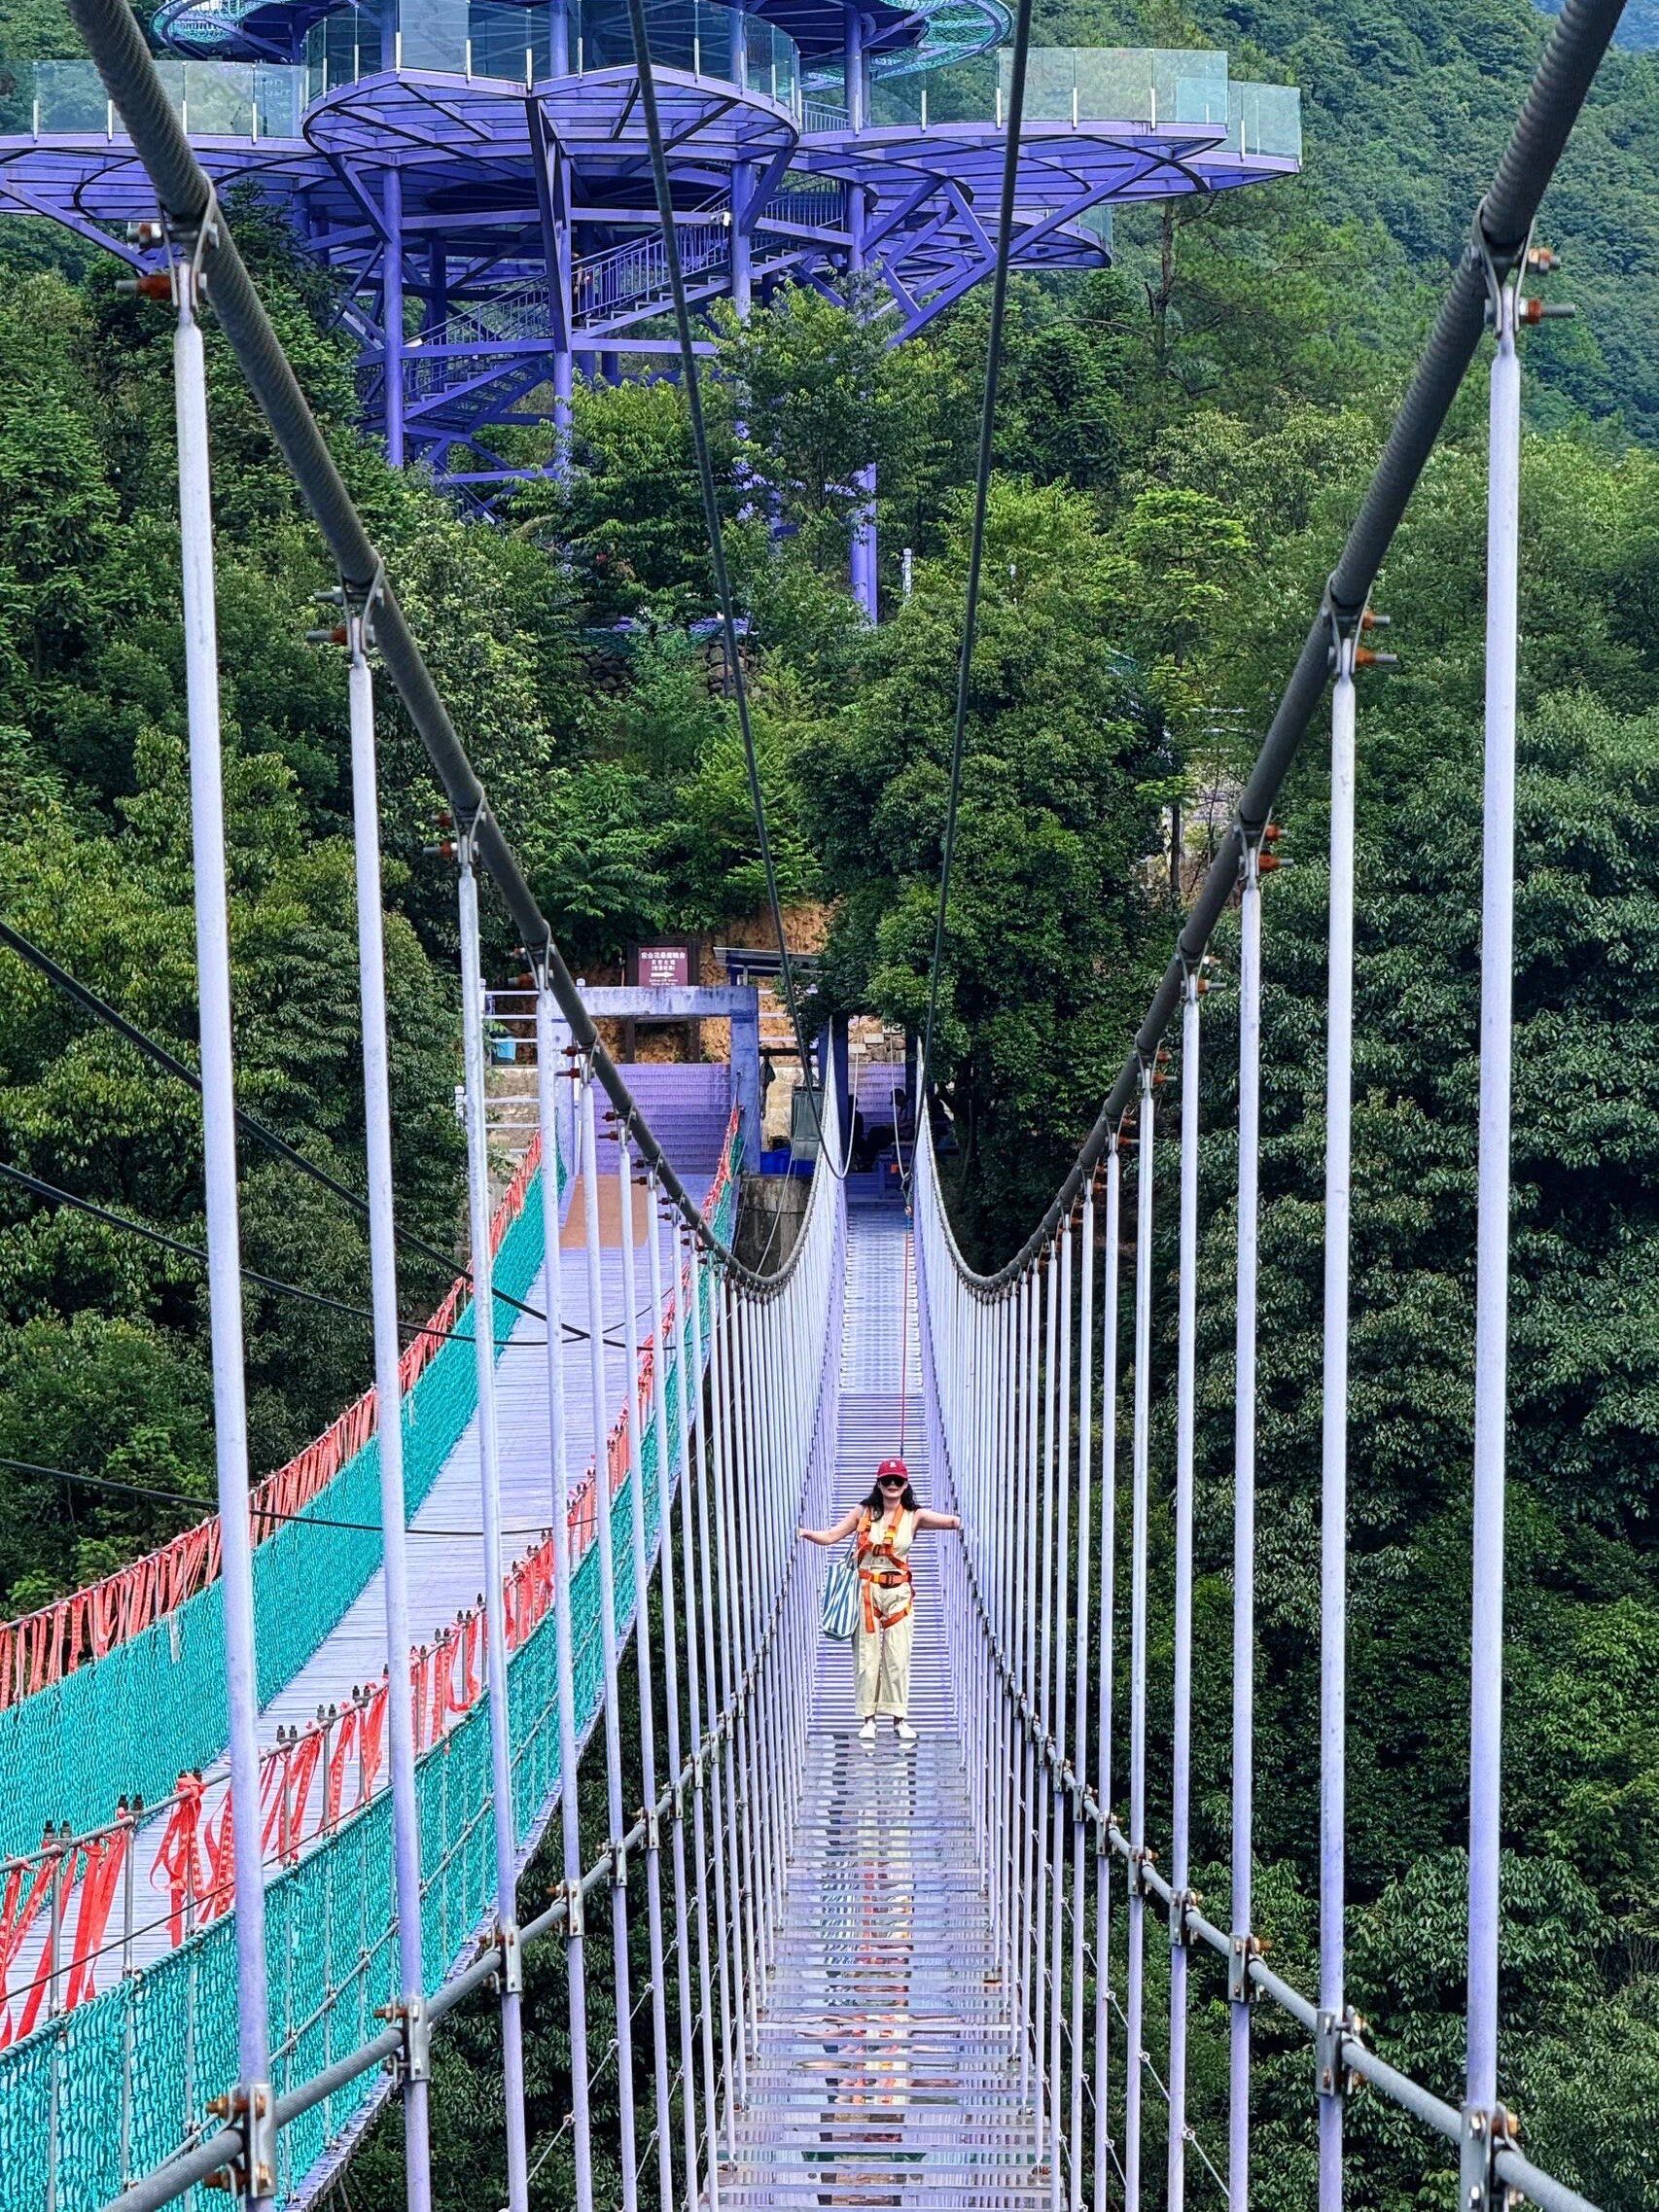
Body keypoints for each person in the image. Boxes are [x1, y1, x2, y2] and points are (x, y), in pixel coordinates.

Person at [798, 1458, 961, 1744]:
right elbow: (832, 1535)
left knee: (898, 1657)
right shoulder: (863, 1513)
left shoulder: (915, 1516)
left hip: (899, 1594)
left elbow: (952, 1522)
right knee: (866, 1655)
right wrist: (804, 1533)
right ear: (879, 1483)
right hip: (866, 1591)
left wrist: (980, 1518)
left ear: (906, 1484)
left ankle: (899, 1719)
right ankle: (868, 1720)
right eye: (887, 1480)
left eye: (898, 1480)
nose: (893, 1486)